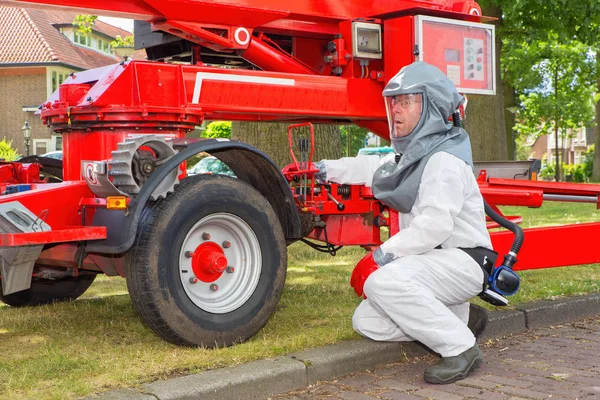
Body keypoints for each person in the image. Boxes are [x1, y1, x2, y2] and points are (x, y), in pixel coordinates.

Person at [331, 61, 492, 384]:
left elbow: (434, 226)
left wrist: (380, 256)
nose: (396, 110)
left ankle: (461, 348)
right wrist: (322, 169)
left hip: (462, 261)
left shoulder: (443, 159)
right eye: (394, 102)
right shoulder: (412, 157)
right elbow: (369, 167)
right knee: (366, 321)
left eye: (406, 101)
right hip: (432, 263)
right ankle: (455, 320)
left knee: (382, 283)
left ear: (431, 107)